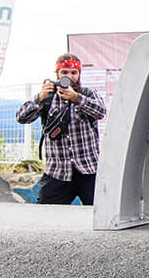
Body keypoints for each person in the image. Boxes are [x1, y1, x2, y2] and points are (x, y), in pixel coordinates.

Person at [16, 54, 106, 205]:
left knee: (99, 214)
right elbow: (21, 117)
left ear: (79, 74)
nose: (69, 76)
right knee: (46, 216)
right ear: (57, 74)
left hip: (89, 168)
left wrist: (76, 98)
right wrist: (40, 97)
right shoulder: (48, 97)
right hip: (57, 170)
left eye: (73, 72)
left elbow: (101, 112)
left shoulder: (87, 94)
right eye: (64, 72)